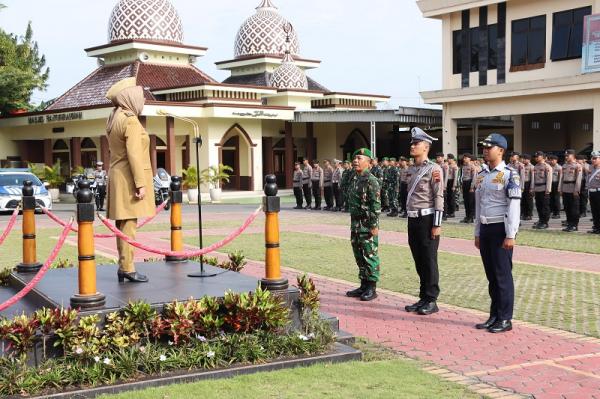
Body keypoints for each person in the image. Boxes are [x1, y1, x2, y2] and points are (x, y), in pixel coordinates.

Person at [105, 77, 154, 284]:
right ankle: (128, 268)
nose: (142, 100)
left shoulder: (115, 116)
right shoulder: (131, 120)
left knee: (123, 223)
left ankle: (124, 265)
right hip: (128, 178)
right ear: (130, 97)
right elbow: (134, 155)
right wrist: (140, 184)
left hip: (117, 174)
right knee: (129, 225)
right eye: (140, 96)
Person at [474, 133, 521, 333]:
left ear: (501, 150)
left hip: (500, 229)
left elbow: (514, 207)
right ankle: (494, 315)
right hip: (485, 228)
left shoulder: (511, 174)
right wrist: (477, 231)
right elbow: (478, 205)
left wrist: (511, 234)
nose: (485, 150)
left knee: (502, 275)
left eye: (489, 147)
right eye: (484, 147)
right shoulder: (482, 174)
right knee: (491, 275)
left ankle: (505, 318)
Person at [404, 128, 444, 316]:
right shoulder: (411, 169)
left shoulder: (434, 169)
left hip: (427, 219)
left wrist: (437, 224)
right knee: (418, 259)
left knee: (429, 260)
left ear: (426, 147)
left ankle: (431, 299)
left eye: (416, 143)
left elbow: (439, 197)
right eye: (412, 143)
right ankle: (423, 297)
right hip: (413, 219)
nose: (412, 146)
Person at [346, 148, 381, 302]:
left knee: (370, 255)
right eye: (354, 158)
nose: (355, 161)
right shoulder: (354, 178)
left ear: (368, 162)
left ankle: (372, 288)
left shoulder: (371, 180)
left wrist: (374, 225)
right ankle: (363, 284)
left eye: (359, 158)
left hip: (367, 224)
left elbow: (376, 205)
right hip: (355, 223)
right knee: (359, 255)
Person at [561, 150, 583, 232]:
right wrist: (560, 189)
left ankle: (574, 225)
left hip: (573, 188)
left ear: (573, 156)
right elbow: (562, 178)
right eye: (565, 156)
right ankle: (569, 224)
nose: (566, 157)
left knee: (574, 208)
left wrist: (576, 190)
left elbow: (578, 179)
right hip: (565, 189)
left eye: (568, 155)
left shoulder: (578, 166)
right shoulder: (564, 165)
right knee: (567, 208)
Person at [531, 151, 552, 230]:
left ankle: (545, 222)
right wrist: (532, 189)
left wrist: (548, 190)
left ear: (543, 157)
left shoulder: (547, 167)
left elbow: (549, 179)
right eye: (535, 156)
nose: (536, 158)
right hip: (537, 189)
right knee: (539, 206)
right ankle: (541, 220)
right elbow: (533, 179)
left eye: (538, 156)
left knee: (544, 207)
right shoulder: (535, 166)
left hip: (544, 189)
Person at [460, 153, 477, 223]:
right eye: (464, 158)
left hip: (470, 183)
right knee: (466, 201)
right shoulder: (463, 166)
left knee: (470, 202)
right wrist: (461, 186)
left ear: (470, 159)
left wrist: (472, 187)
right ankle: (467, 216)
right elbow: (462, 177)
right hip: (465, 183)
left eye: (466, 158)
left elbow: (474, 177)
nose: (464, 159)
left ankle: (471, 217)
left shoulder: (472, 166)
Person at [588, 151, 600, 234]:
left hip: (599, 192)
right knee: (594, 211)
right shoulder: (591, 168)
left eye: (595, 158)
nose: (593, 160)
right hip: (592, 192)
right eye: (592, 158)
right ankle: (596, 227)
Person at [548, 155, 562, 219]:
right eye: (550, 160)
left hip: (556, 184)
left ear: (556, 160)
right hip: (550, 184)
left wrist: (559, 187)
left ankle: (557, 213)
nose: (551, 161)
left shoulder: (559, 168)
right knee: (550, 198)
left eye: (553, 160)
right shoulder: (549, 167)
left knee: (556, 199)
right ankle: (552, 211)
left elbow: (560, 178)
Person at [521, 154, 534, 220]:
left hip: (528, 184)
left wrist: (532, 187)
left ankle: (529, 214)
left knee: (529, 200)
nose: (523, 160)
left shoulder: (531, 167)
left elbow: (533, 178)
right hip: (522, 184)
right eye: (523, 159)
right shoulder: (522, 166)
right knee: (523, 200)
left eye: (525, 159)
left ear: (528, 160)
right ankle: (524, 214)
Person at [446, 154, 459, 218]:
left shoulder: (455, 166)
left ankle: (452, 212)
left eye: (448, 158)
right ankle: (448, 211)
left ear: (452, 159)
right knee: (448, 197)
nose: (448, 160)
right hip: (448, 182)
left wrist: (454, 186)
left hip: (452, 182)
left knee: (452, 198)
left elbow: (455, 177)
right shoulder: (448, 165)